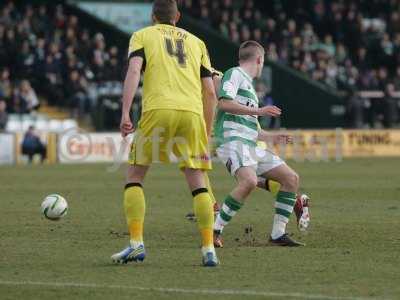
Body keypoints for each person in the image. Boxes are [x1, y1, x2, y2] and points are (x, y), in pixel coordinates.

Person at [111, 0, 220, 267]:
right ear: (177, 17)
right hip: (192, 113)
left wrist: (125, 113)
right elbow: (210, 91)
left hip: (158, 108)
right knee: (198, 180)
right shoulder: (197, 42)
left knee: (135, 175)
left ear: (152, 17)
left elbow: (134, 70)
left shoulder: (142, 35)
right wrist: (206, 131)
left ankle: (136, 244)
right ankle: (208, 248)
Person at [213, 41, 306, 247]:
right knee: (249, 181)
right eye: (263, 62)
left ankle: (277, 234)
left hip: (249, 144)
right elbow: (224, 103)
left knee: (291, 178)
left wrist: (272, 137)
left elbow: (254, 129)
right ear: (259, 59)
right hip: (232, 141)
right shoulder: (234, 74)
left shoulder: (251, 89)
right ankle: (214, 230)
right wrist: (260, 111)